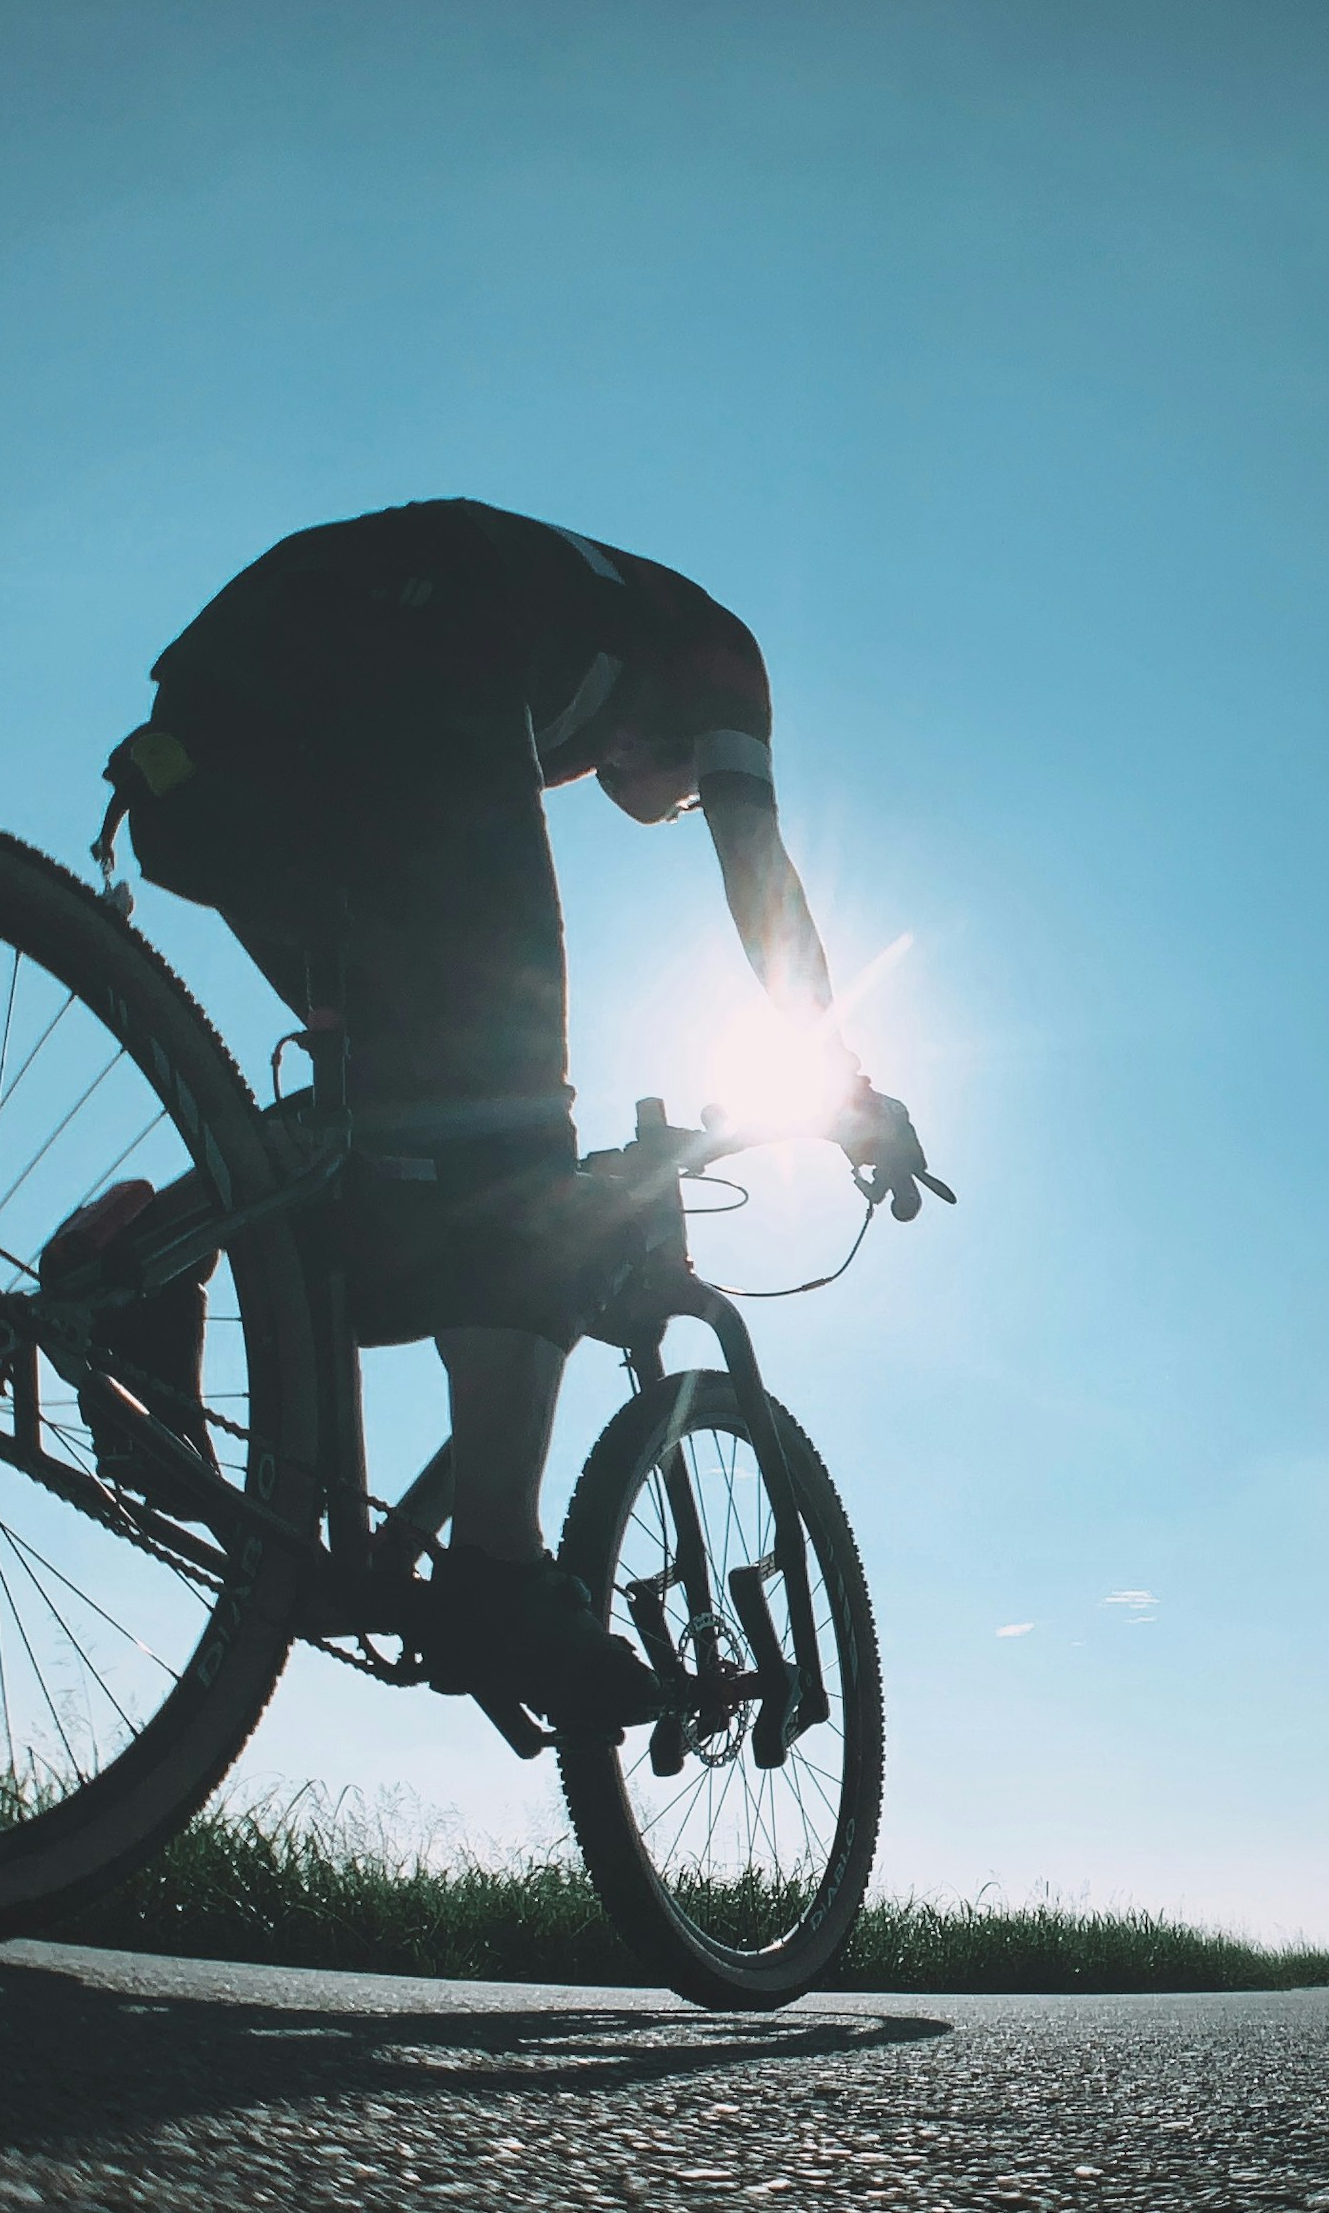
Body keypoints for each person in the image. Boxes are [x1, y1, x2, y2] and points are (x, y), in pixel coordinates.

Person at [64, 499, 941, 1722]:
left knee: (390, 1103)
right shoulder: (721, 654)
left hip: (218, 720)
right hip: (402, 646)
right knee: (513, 1102)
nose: (673, 802)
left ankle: (141, 1259)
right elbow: (759, 862)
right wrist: (841, 1080)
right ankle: (499, 1570)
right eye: (688, 795)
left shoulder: (550, 685)